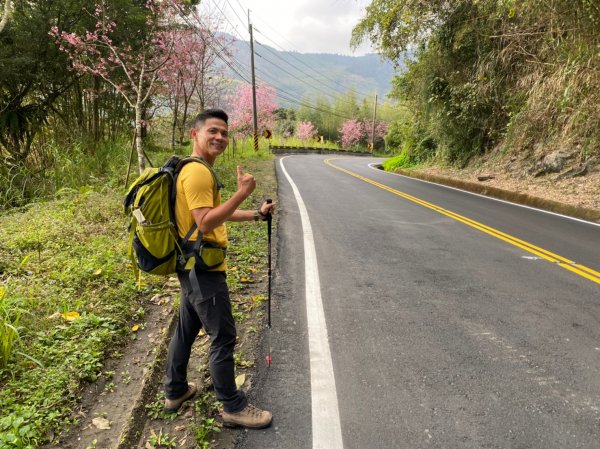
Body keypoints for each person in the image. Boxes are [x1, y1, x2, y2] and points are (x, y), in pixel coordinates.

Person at [164, 108, 275, 429]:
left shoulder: (192, 169)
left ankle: (175, 391)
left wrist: (256, 214)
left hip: (191, 266)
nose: (220, 137)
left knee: (186, 329)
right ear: (194, 134)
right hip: (203, 269)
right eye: (213, 131)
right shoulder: (197, 172)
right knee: (223, 335)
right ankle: (233, 406)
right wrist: (242, 193)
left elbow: (213, 214)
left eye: (224, 133)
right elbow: (205, 221)